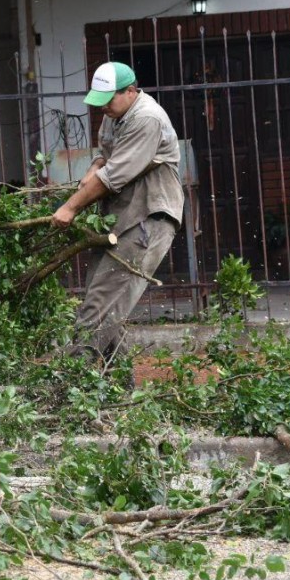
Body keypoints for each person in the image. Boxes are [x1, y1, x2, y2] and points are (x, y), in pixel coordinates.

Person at [51, 61, 184, 361]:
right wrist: (94, 167)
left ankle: (74, 376)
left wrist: (70, 207)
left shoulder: (146, 119)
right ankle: (118, 379)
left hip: (149, 216)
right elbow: (105, 156)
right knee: (103, 296)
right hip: (122, 216)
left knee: (100, 303)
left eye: (108, 100)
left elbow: (113, 177)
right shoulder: (114, 115)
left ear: (130, 91)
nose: (103, 108)